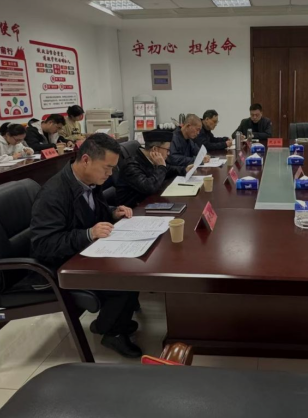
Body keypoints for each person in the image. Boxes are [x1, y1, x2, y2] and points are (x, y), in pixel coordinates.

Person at [30, 133, 142, 358]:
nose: (110, 174)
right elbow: (44, 245)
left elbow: (93, 212)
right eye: (107, 168)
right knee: (124, 279)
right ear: (86, 160)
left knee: (135, 266)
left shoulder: (89, 180)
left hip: (83, 252)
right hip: (60, 264)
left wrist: (113, 212)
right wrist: (88, 234)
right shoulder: (53, 194)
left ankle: (110, 321)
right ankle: (111, 331)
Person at [115, 130, 193, 207]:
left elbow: (168, 169)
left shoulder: (148, 158)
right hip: (134, 210)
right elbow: (149, 187)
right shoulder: (131, 165)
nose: (169, 153)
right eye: (167, 150)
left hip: (148, 203)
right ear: (155, 149)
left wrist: (184, 170)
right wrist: (161, 167)